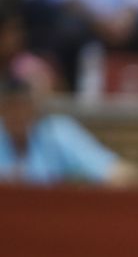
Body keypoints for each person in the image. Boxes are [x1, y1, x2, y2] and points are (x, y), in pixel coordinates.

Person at [0, 72, 131, 184]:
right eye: (10, 107)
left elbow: (119, 173)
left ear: (35, 108)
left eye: (23, 106)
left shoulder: (58, 132)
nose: (17, 114)